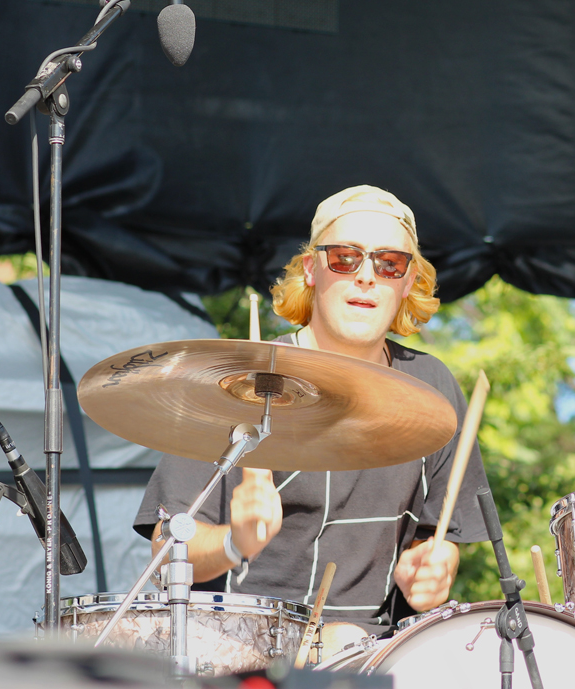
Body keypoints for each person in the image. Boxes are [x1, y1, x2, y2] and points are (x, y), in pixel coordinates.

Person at [133, 185, 489, 658]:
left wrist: (434, 563)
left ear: (407, 283)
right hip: (241, 647)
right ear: (311, 270)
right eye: (345, 257)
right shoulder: (243, 383)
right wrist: (235, 543)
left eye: (389, 264)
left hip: (373, 654)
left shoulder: (433, 387)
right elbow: (165, 552)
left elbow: (434, 538)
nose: (366, 277)